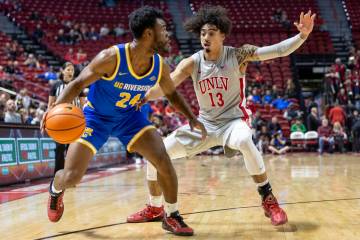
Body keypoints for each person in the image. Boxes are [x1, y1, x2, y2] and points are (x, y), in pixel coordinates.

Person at [128, 6, 316, 226]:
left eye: (211, 32)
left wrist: (302, 35)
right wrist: (144, 96)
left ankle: (268, 198)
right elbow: (166, 87)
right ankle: (155, 207)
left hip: (233, 122)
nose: (205, 37)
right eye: (203, 33)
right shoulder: (192, 62)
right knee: (155, 153)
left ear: (223, 35)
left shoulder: (238, 55)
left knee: (244, 140)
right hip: (205, 125)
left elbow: (277, 51)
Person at [41, 6, 206, 236]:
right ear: (149, 33)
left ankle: (172, 215)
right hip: (95, 118)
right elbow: (77, 84)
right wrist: (54, 110)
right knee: (71, 177)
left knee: (162, 159)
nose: (167, 34)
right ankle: (56, 189)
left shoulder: (159, 65)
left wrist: (191, 117)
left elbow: (172, 94)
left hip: (129, 118)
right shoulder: (111, 57)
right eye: (163, 29)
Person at [48, 62, 86, 176]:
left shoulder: (77, 85)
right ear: (62, 71)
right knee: (59, 148)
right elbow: (50, 104)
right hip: (59, 121)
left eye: (72, 70)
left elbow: (83, 104)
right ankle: (58, 174)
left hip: (74, 121)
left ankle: (70, 175)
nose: (71, 72)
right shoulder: (56, 85)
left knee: (72, 150)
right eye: (68, 69)